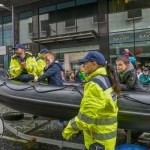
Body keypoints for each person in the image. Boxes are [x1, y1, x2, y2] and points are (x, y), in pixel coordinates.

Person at [62, 51, 121, 150]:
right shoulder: (106, 79)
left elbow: (85, 119)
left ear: (94, 64)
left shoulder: (94, 84)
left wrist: (67, 131)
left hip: (97, 142)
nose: (83, 65)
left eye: (85, 63)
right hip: (107, 138)